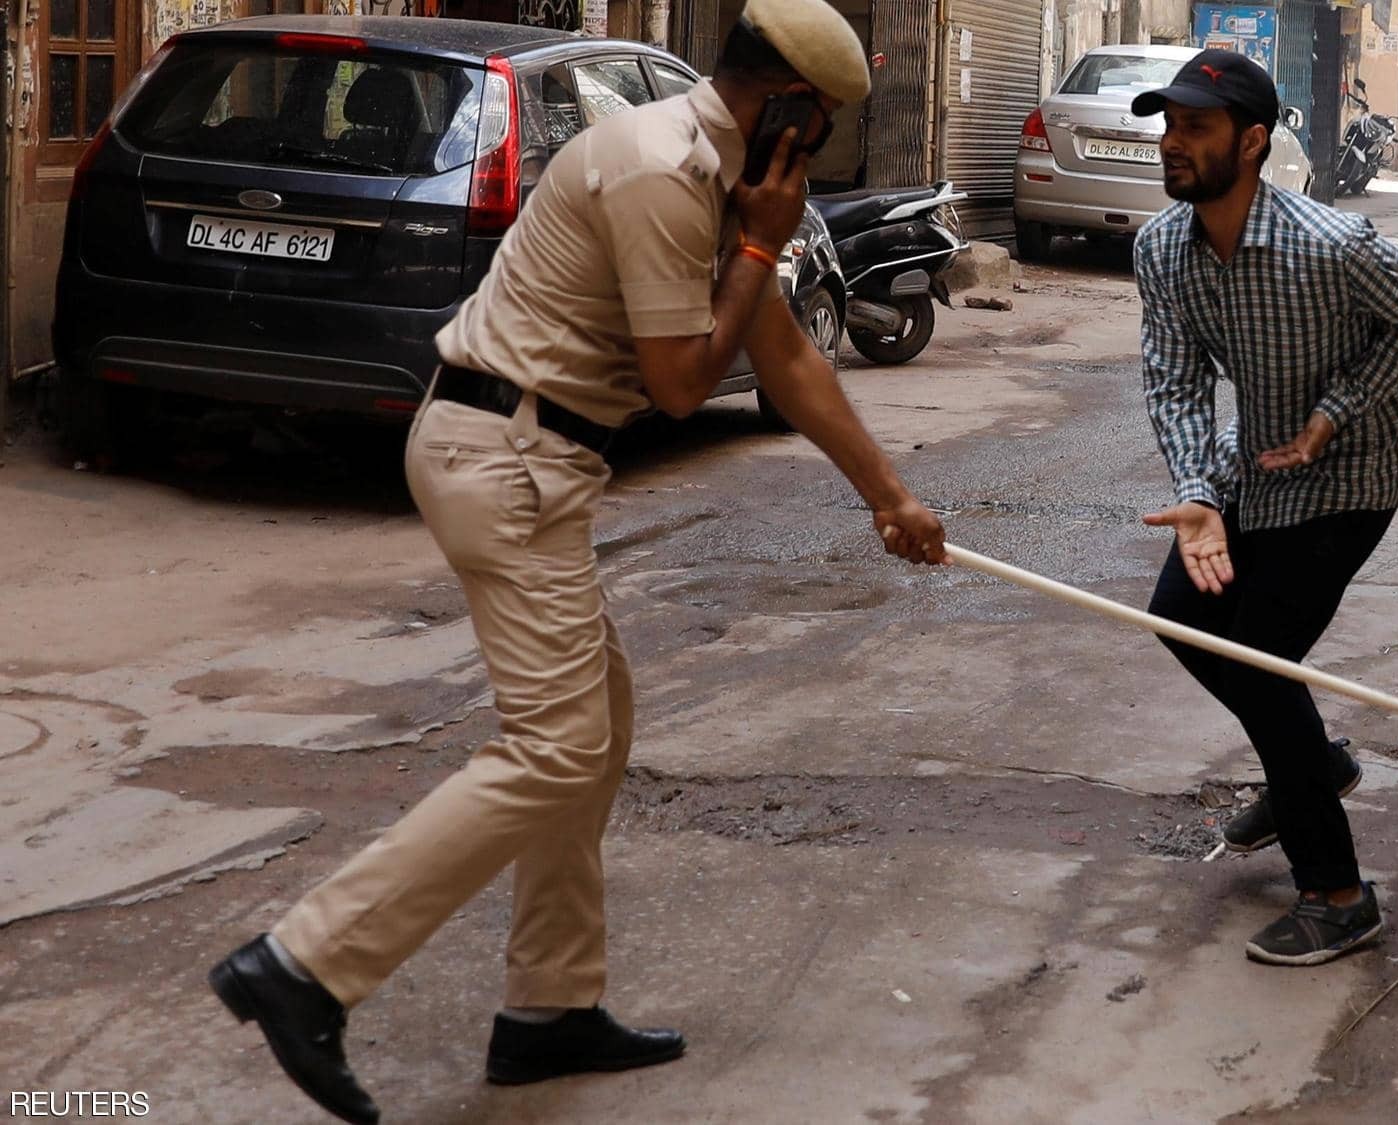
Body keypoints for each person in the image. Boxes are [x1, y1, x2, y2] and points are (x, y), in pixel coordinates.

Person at [204, 1, 947, 1120]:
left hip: (529, 460)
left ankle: (546, 1010)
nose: (822, 148)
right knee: (554, 748)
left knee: (592, 736)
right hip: (503, 457)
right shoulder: (660, 171)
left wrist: (887, 495)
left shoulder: (715, 173)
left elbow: (781, 351)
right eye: (825, 122)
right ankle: (303, 963)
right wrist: (758, 243)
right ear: (790, 106)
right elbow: (680, 387)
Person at [1128, 50, 1398, 967]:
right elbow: (1176, 381)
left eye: (1194, 126)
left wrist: (1335, 410)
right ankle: (1310, 764)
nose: (1172, 143)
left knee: (1263, 664)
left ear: (1253, 141)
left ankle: (1340, 893)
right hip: (1253, 461)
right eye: (1169, 125)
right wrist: (1198, 495)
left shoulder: (1328, 244)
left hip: (1352, 474)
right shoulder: (1161, 249)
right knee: (1185, 619)